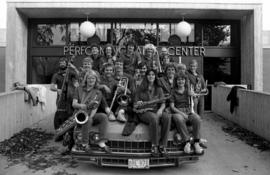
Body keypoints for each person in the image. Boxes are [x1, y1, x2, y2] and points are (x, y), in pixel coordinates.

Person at [134, 69, 171, 157]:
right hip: (143, 111)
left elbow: (163, 103)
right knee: (154, 118)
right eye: (149, 75)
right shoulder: (140, 88)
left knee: (167, 117)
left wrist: (160, 110)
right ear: (146, 76)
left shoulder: (159, 88)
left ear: (155, 77)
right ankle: (154, 146)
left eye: (153, 75)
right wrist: (138, 104)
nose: (151, 76)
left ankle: (163, 145)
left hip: (155, 110)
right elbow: (135, 104)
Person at [72, 70, 111, 153]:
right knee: (88, 120)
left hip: (90, 114)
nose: (91, 80)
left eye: (93, 78)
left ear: (96, 80)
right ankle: (85, 144)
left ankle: (101, 142)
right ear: (86, 79)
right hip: (79, 115)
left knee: (103, 117)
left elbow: (95, 109)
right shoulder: (78, 89)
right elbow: (74, 104)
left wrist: (90, 117)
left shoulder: (98, 92)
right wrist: (82, 106)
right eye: (89, 78)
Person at [169, 73, 204, 154]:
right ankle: (187, 142)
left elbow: (195, 99)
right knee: (179, 118)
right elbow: (172, 107)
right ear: (176, 81)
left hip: (188, 110)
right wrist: (182, 114)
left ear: (185, 81)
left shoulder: (188, 90)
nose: (180, 81)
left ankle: (196, 142)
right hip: (177, 111)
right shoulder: (173, 91)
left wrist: (193, 95)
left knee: (197, 119)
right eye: (178, 80)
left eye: (182, 79)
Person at [50, 57, 78, 129]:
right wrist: (57, 90)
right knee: (60, 115)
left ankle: (70, 130)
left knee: (71, 114)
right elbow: (51, 87)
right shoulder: (56, 75)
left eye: (63, 62)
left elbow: (79, 76)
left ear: (66, 64)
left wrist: (74, 68)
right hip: (61, 98)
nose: (62, 64)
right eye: (60, 63)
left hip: (71, 97)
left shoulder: (71, 73)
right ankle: (59, 130)